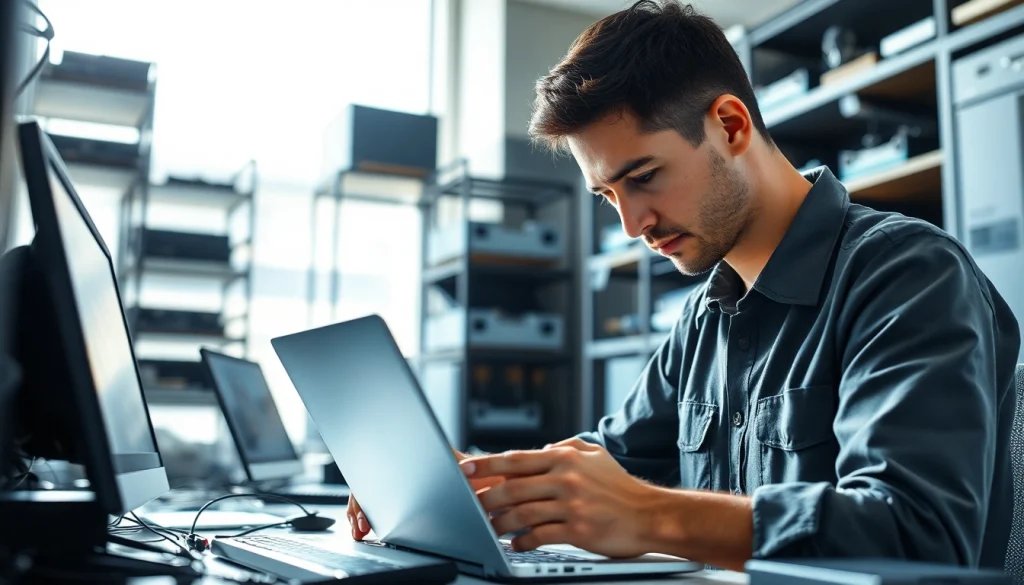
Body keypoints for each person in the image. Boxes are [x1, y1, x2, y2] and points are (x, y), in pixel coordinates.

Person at [347, 0, 1021, 572]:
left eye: (643, 177)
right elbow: (604, 459)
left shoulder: (908, 275)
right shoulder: (707, 315)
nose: (634, 223)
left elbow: (919, 535)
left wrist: (647, 515)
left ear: (729, 125)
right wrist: (471, 483)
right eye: (608, 195)